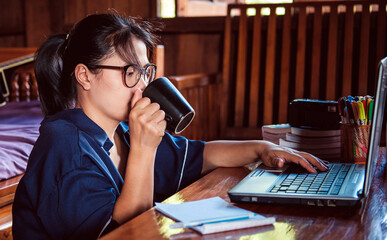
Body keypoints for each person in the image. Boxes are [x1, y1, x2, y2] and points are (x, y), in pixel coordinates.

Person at [12, 13, 328, 240]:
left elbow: (204, 155)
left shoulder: (121, 133)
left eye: (145, 71)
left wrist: (264, 148)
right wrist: (145, 148)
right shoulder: (65, 146)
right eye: (129, 72)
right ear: (84, 76)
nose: (142, 86)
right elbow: (128, 232)